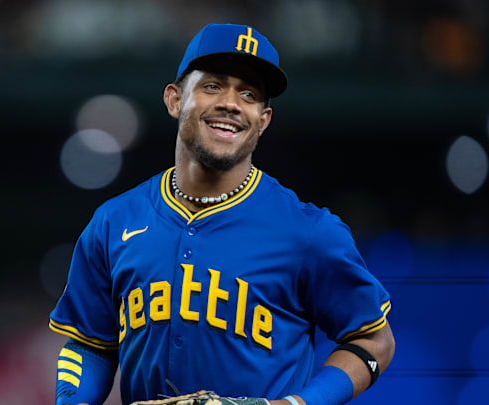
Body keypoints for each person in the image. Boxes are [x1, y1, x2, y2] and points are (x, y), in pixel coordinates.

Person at [49, 23, 395, 405]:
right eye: (213, 85)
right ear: (174, 100)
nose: (231, 103)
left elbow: (373, 341)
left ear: (263, 120)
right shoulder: (113, 222)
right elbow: (90, 344)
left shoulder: (309, 231)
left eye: (248, 94)